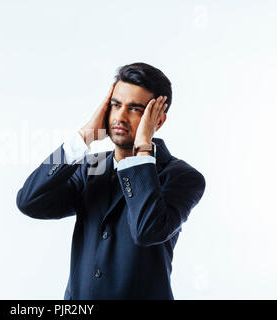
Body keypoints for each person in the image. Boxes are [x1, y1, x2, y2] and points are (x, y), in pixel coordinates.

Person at [16, 62, 206, 300]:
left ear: (158, 120)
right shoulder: (94, 166)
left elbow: (147, 231)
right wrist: (85, 136)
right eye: (115, 105)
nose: (120, 116)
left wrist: (143, 149)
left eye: (135, 109)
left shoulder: (182, 176)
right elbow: (29, 201)